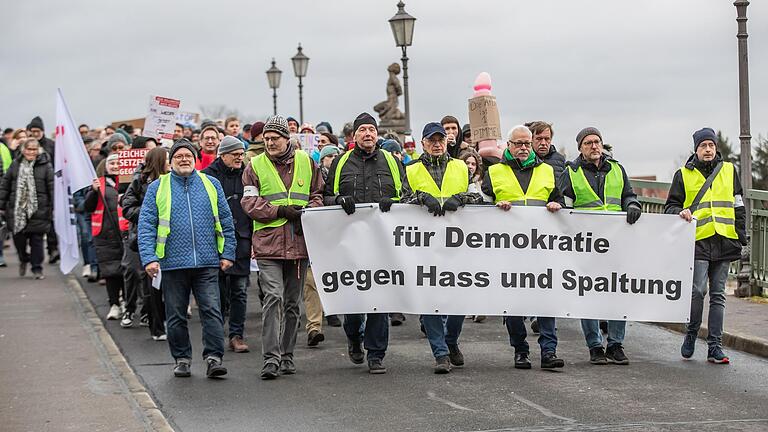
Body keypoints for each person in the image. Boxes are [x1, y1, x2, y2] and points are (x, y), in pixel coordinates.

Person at [138, 139, 236, 379]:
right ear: (170, 162)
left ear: (195, 159)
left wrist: (228, 253)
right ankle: (182, 359)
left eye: (188, 155)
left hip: (207, 262)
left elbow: (225, 219)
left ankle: (214, 358)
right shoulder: (157, 187)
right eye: (179, 156)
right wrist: (149, 258)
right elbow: (146, 224)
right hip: (172, 263)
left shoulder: (211, 184)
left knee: (212, 311)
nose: (184, 159)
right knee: (175, 314)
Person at [323, 112, 409, 374]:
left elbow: (406, 194)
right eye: (363, 130)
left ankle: (376, 354)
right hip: (350, 243)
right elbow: (326, 196)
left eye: (372, 129)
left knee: (379, 299)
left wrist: (393, 202)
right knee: (353, 299)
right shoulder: (340, 163)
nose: (368, 134)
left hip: (382, 242)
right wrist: (339, 201)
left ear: (377, 134)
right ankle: (353, 336)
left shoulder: (392, 163)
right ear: (355, 136)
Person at [241, 115, 323, 378]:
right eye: (265, 139)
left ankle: (288, 355)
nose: (269, 143)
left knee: (291, 303)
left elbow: (318, 195)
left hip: (299, 242)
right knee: (273, 298)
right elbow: (249, 204)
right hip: (268, 245)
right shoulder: (254, 166)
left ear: (287, 139)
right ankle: (271, 358)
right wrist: (280, 210)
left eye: (274, 138)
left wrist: (308, 210)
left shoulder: (307, 162)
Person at [482, 125, 565, 370]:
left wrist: (555, 204)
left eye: (527, 144)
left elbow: (559, 198)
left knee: (546, 301)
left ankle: (549, 351)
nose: (523, 148)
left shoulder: (547, 170)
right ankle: (520, 350)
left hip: (541, 249)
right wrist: (496, 206)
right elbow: (479, 210)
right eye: (518, 144)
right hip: (509, 251)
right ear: (508, 145)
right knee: (513, 304)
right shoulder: (495, 172)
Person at [402, 122, 482, 373]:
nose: (437, 144)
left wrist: (461, 199)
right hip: (423, 245)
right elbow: (401, 199)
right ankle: (440, 353)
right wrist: (420, 198)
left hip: (456, 243)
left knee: (458, 297)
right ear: (423, 143)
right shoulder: (411, 169)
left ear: (447, 141)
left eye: (440, 139)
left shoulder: (460, 166)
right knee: (429, 299)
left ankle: (450, 340)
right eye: (431, 140)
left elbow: (476, 195)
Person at [559, 127, 642, 366]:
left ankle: (615, 344)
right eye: (588, 143)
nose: (594, 146)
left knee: (617, 292)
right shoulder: (571, 172)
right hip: (585, 244)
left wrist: (632, 204)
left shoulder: (617, 169)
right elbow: (565, 206)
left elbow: (628, 194)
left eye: (597, 142)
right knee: (588, 294)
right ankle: (595, 346)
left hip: (616, 242)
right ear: (580, 148)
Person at [665, 127, 746, 364]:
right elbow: (670, 206)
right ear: (696, 150)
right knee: (698, 290)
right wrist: (680, 212)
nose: (708, 150)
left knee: (719, 295)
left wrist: (741, 236)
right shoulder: (683, 174)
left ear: (716, 148)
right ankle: (691, 333)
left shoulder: (729, 171)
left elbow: (738, 205)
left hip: (724, 239)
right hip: (698, 240)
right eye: (703, 146)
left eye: (711, 145)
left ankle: (715, 347)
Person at [202, 136, 252, 354]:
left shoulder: (247, 175)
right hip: (216, 241)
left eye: (242, 154)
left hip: (241, 239)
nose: (240, 158)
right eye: (235, 155)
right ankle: (215, 332)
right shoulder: (207, 177)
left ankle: (236, 335)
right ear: (223, 155)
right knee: (218, 290)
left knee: (239, 291)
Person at [121, 147, 169, 341]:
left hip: (170, 239)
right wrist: (150, 212)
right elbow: (127, 207)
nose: (171, 161)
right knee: (153, 283)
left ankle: (168, 320)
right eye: (167, 158)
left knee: (170, 284)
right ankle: (156, 326)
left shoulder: (174, 179)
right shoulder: (140, 181)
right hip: (148, 238)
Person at [0, 138, 54, 279]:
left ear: (38, 151)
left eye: (34, 149)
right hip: (17, 211)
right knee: (19, 241)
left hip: (39, 210)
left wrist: (54, 207)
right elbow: (5, 185)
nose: (31, 152)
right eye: (29, 149)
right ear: (23, 150)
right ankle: (24, 259)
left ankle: (37, 268)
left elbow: (52, 187)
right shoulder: (15, 165)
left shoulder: (46, 166)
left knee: (37, 241)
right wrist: (1, 204)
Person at [84, 153, 128, 319]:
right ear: (106, 166)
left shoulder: (127, 183)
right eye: (112, 163)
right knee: (110, 272)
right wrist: (93, 192)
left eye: (118, 163)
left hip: (124, 233)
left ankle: (125, 301)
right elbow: (88, 207)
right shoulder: (98, 184)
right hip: (105, 235)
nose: (115, 166)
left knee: (126, 270)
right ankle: (114, 303)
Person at [26, 116, 59, 264]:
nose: (35, 133)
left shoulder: (51, 145)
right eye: (32, 131)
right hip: (30, 188)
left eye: (37, 130)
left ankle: (53, 249)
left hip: (48, 186)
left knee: (49, 219)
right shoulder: (26, 146)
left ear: (42, 131)